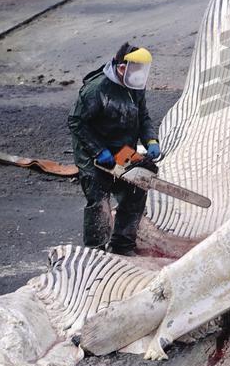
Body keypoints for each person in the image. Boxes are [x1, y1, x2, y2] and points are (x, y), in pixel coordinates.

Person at [68, 43, 161, 255]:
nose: (139, 74)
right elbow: (76, 122)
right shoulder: (96, 90)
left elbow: (143, 116)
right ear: (121, 68)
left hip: (122, 148)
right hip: (94, 150)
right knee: (99, 199)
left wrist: (151, 140)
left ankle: (122, 244)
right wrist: (98, 150)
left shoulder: (135, 86)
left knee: (137, 188)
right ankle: (96, 249)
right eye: (135, 68)